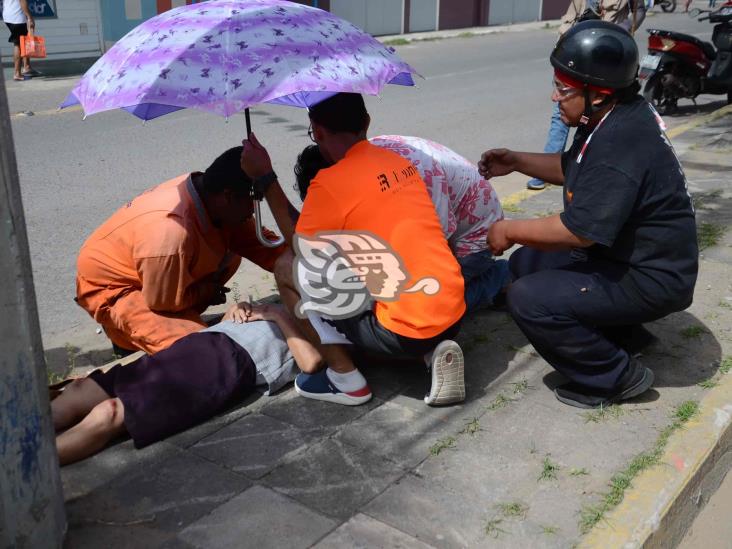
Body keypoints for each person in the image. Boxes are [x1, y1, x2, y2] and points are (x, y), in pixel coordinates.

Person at [479, 21, 698, 409]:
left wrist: (509, 229)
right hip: (631, 256)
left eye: (563, 89)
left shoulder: (619, 143)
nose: (554, 97)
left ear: (597, 94)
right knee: (529, 261)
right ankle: (625, 335)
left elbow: (579, 231)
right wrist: (516, 162)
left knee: (530, 297)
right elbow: (575, 168)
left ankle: (616, 376)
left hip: (653, 277)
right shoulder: (610, 116)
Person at [241, 93, 467, 407]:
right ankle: (431, 351)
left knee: (286, 266)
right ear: (367, 122)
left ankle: (345, 379)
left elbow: (301, 250)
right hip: (454, 310)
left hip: (402, 331)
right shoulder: (398, 163)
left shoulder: (331, 182)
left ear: (318, 133)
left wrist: (264, 178)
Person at [76, 146, 285, 356]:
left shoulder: (214, 199)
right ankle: (128, 335)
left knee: (262, 248)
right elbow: (164, 302)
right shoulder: (171, 235)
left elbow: (271, 250)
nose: (253, 211)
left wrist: (305, 269)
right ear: (228, 197)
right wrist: (206, 292)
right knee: (204, 355)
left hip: (160, 272)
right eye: (253, 202)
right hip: (120, 286)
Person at [52, 301, 318, 465]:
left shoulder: (322, 325)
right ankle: (16, 440)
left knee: (111, 412)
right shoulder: (291, 298)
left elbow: (311, 363)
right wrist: (237, 311)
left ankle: (26, 469)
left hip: (231, 363)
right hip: (201, 342)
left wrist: (279, 316)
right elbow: (229, 320)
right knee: (81, 389)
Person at [293, 136, 510, 313]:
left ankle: (497, 278)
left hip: (477, 237)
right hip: (453, 224)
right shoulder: (363, 157)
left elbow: (434, 246)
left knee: (433, 310)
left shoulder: (411, 172)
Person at [528, 0, 646, 191]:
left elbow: (639, 10)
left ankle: (581, 168)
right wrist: (513, 160)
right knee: (561, 114)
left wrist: (615, 32)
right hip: (574, 52)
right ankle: (550, 170)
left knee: (594, 121)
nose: (553, 96)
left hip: (604, 60)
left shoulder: (621, 137)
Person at [3, 0, 40, 81]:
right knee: (19, 44)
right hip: (17, 18)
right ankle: (17, 74)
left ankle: (27, 67)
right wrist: (29, 17)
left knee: (25, 41)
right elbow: (22, 1)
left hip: (9, 15)